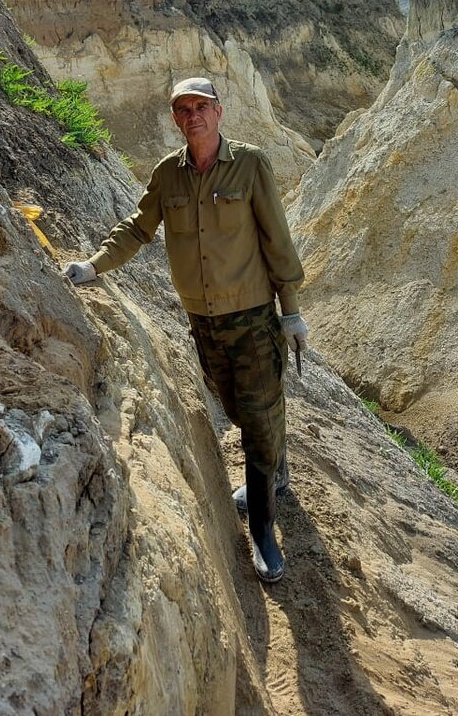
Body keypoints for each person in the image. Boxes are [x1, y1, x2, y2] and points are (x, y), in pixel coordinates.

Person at [64, 77, 308, 583]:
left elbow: (277, 240)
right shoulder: (167, 176)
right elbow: (136, 228)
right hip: (203, 321)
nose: (192, 115)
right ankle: (276, 469)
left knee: (258, 419)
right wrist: (91, 266)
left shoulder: (251, 165)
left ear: (219, 111)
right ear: (175, 118)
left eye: (201, 106)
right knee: (238, 407)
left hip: (253, 317)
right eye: (183, 109)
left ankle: (263, 528)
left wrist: (291, 310)